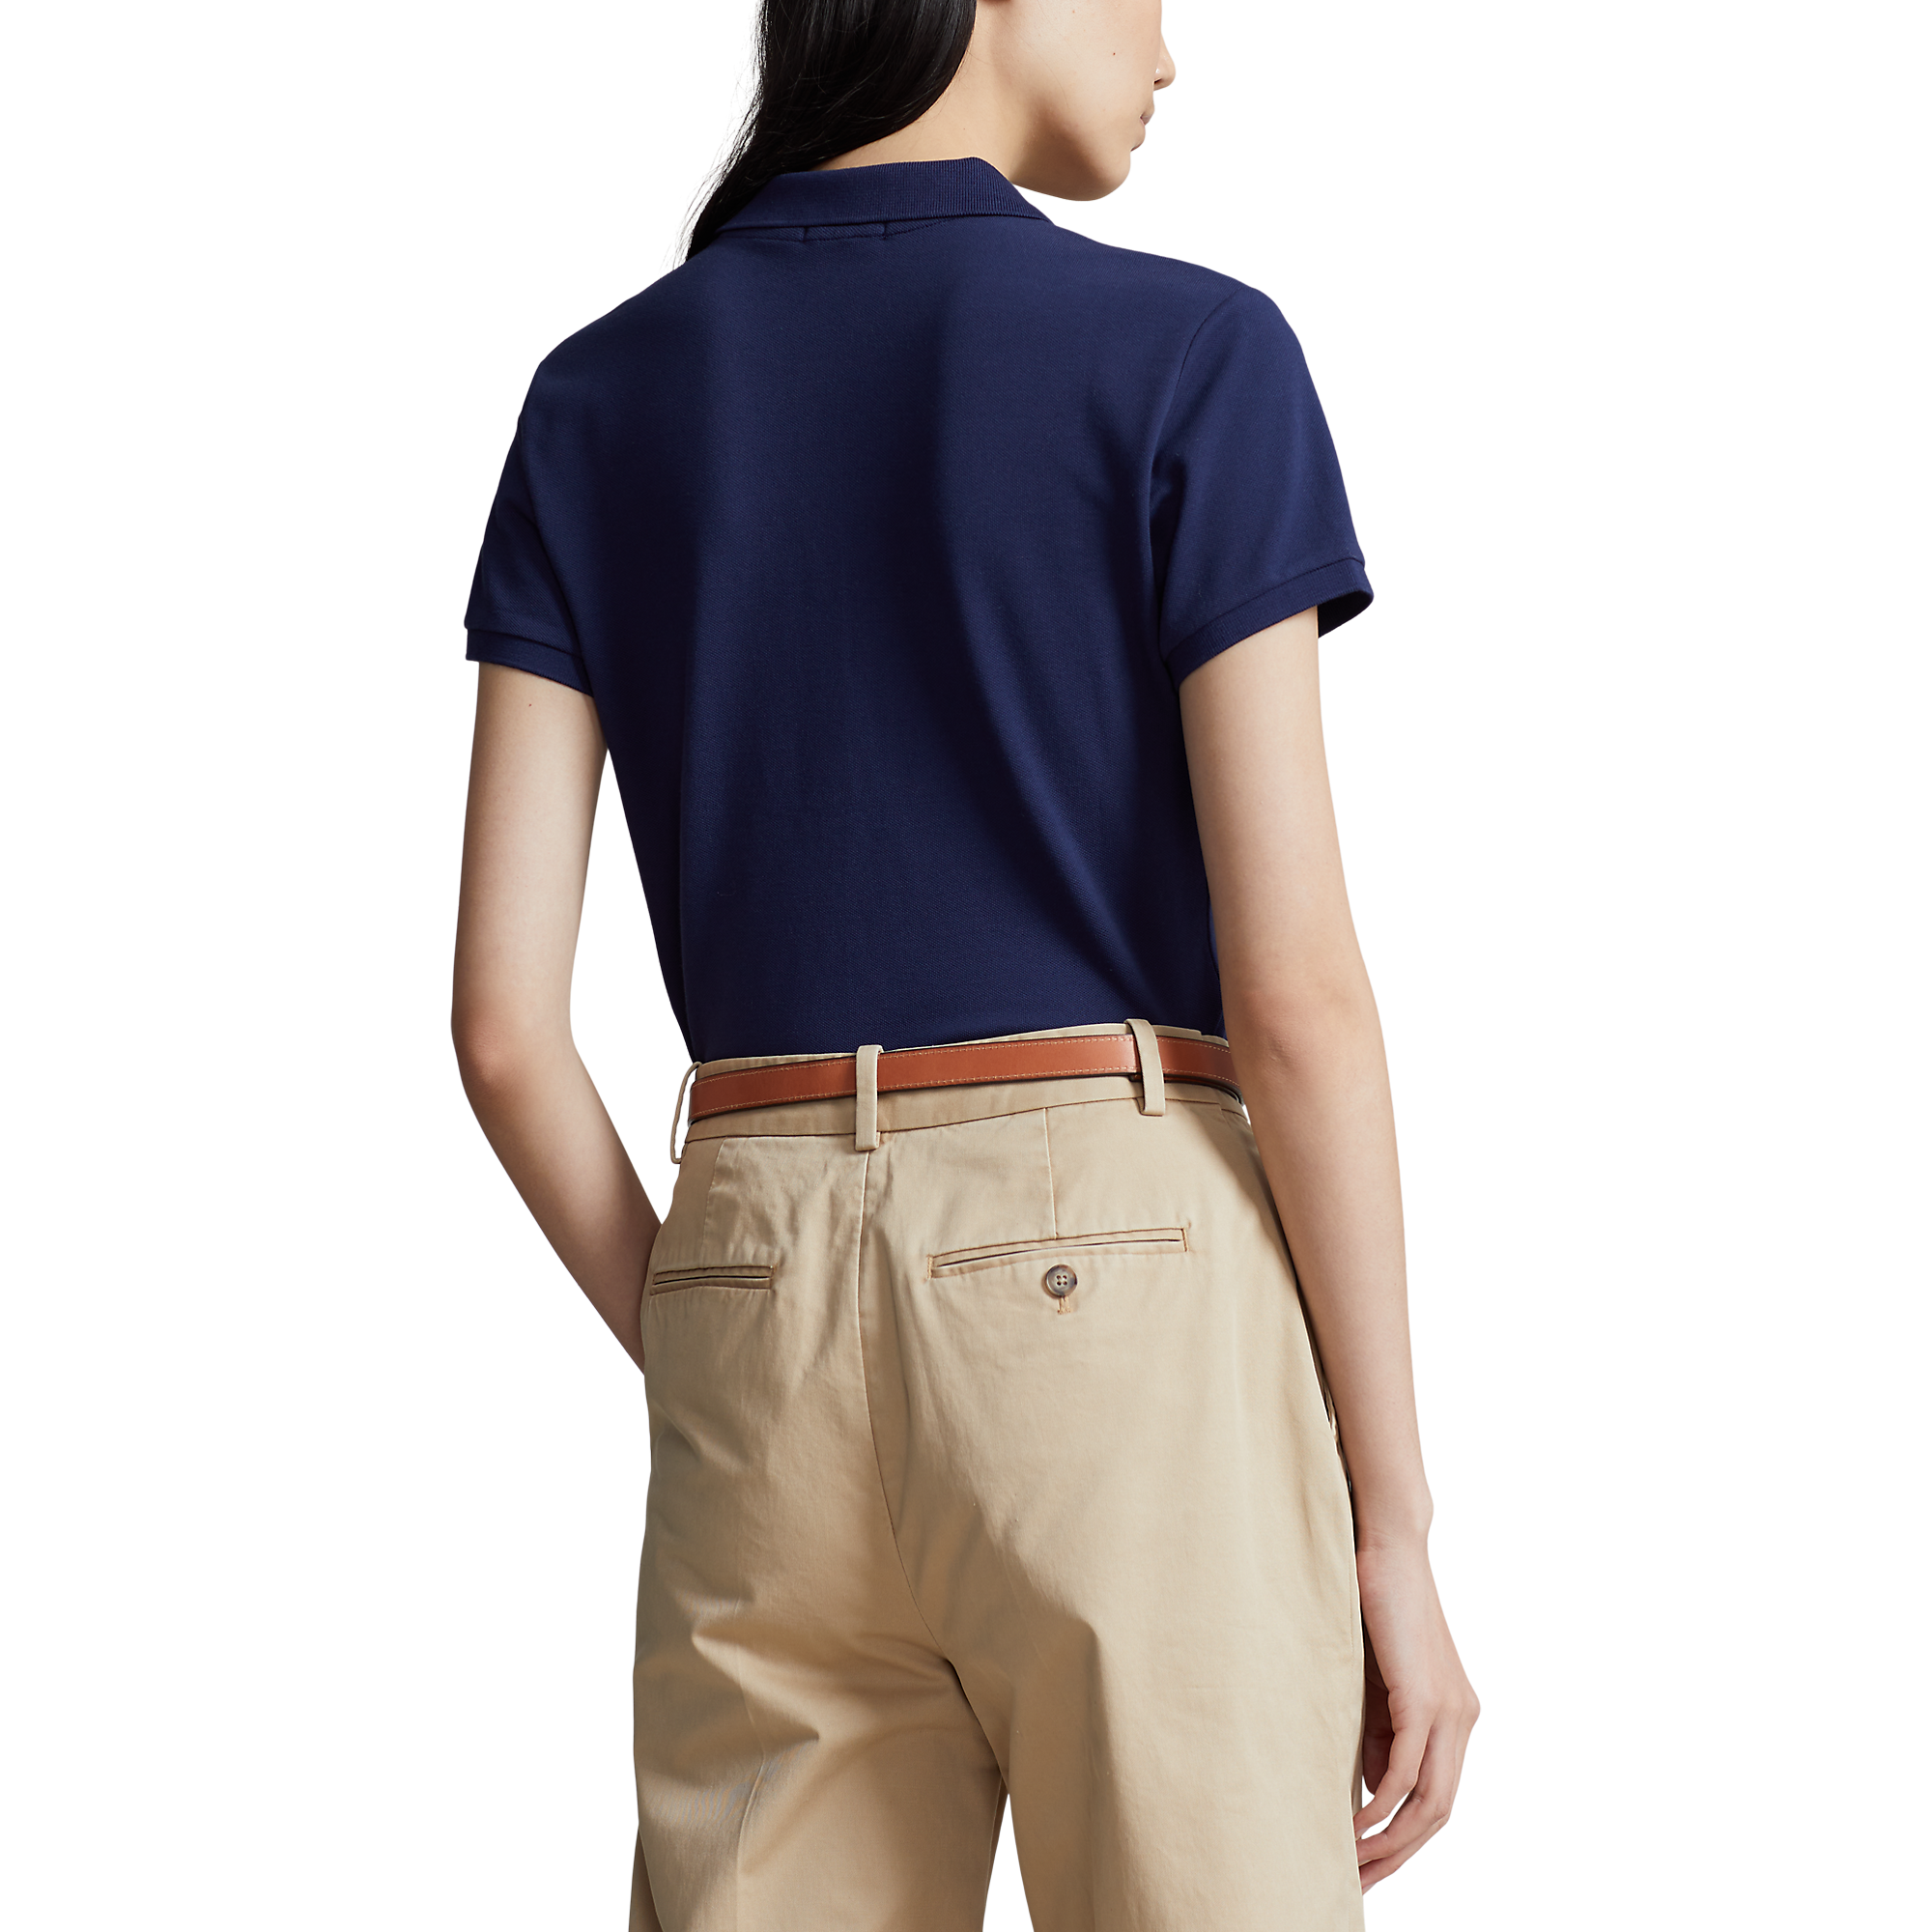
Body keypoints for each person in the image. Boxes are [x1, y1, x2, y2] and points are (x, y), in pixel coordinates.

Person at [451, 2, 1479, 1926]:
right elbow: (1297, 1002)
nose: (1171, 53)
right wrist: (1394, 1517)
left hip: (749, 1265)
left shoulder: (598, 394)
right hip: (1120, 1278)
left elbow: (506, 1028)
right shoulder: (1191, 352)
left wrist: (717, 1339)